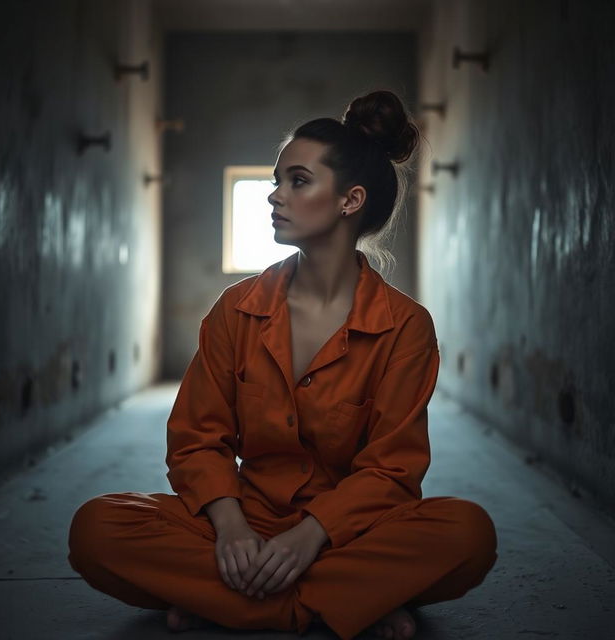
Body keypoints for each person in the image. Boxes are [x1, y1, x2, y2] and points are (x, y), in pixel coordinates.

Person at [67, 90, 498, 640]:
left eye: (297, 180)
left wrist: (310, 536)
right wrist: (230, 531)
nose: (275, 196)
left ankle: (227, 603)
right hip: (243, 520)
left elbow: (392, 470)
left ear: (350, 200)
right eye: (276, 180)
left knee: (467, 535)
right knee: (97, 530)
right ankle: (345, 604)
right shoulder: (237, 308)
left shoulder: (405, 327)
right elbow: (197, 440)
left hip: (351, 532)